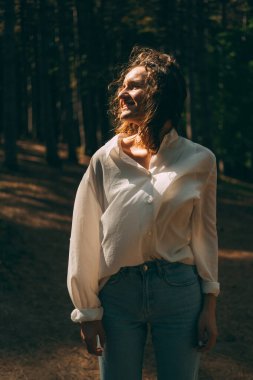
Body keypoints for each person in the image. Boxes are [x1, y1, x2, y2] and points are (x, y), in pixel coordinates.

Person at [67, 46, 219, 380]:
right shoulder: (104, 159)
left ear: (162, 93)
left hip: (179, 291)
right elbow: (85, 234)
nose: (123, 92)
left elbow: (205, 235)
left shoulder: (201, 160)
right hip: (118, 294)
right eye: (123, 85)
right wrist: (88, 310)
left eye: (135, 85)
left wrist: (209, 304)